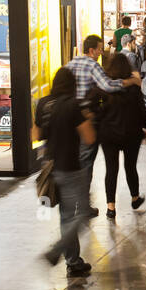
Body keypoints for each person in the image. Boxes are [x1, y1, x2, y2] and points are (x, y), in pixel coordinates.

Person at [68, 35, 141, 210]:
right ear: (91, 50)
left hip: (70, 118)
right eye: (100, 49)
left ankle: (73, 201)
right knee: (86, 162)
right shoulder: (93, 66)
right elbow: (107, 86)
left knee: (75, 160)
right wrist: (131, 81)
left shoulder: (70, 65)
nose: (101, 53)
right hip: (87, 120)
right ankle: (82, 205)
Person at [35, 67, 94, 278]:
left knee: (65, 216)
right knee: (82, 213)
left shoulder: (43, 103)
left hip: (50, 166)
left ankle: (74, 262)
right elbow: (89, 138)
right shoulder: (74, 105)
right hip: (70, 166)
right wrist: (87, 117)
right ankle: (58, 250)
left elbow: (36, 134)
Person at [93, 53, 146, 220]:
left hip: (108, 135)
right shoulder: (133, 87)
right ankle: (135, 198)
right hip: (131, 134)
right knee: (130, 167)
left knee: (111, 169)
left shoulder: (104, 88)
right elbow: (141, 109)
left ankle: (111, 207)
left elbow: (97, 111)